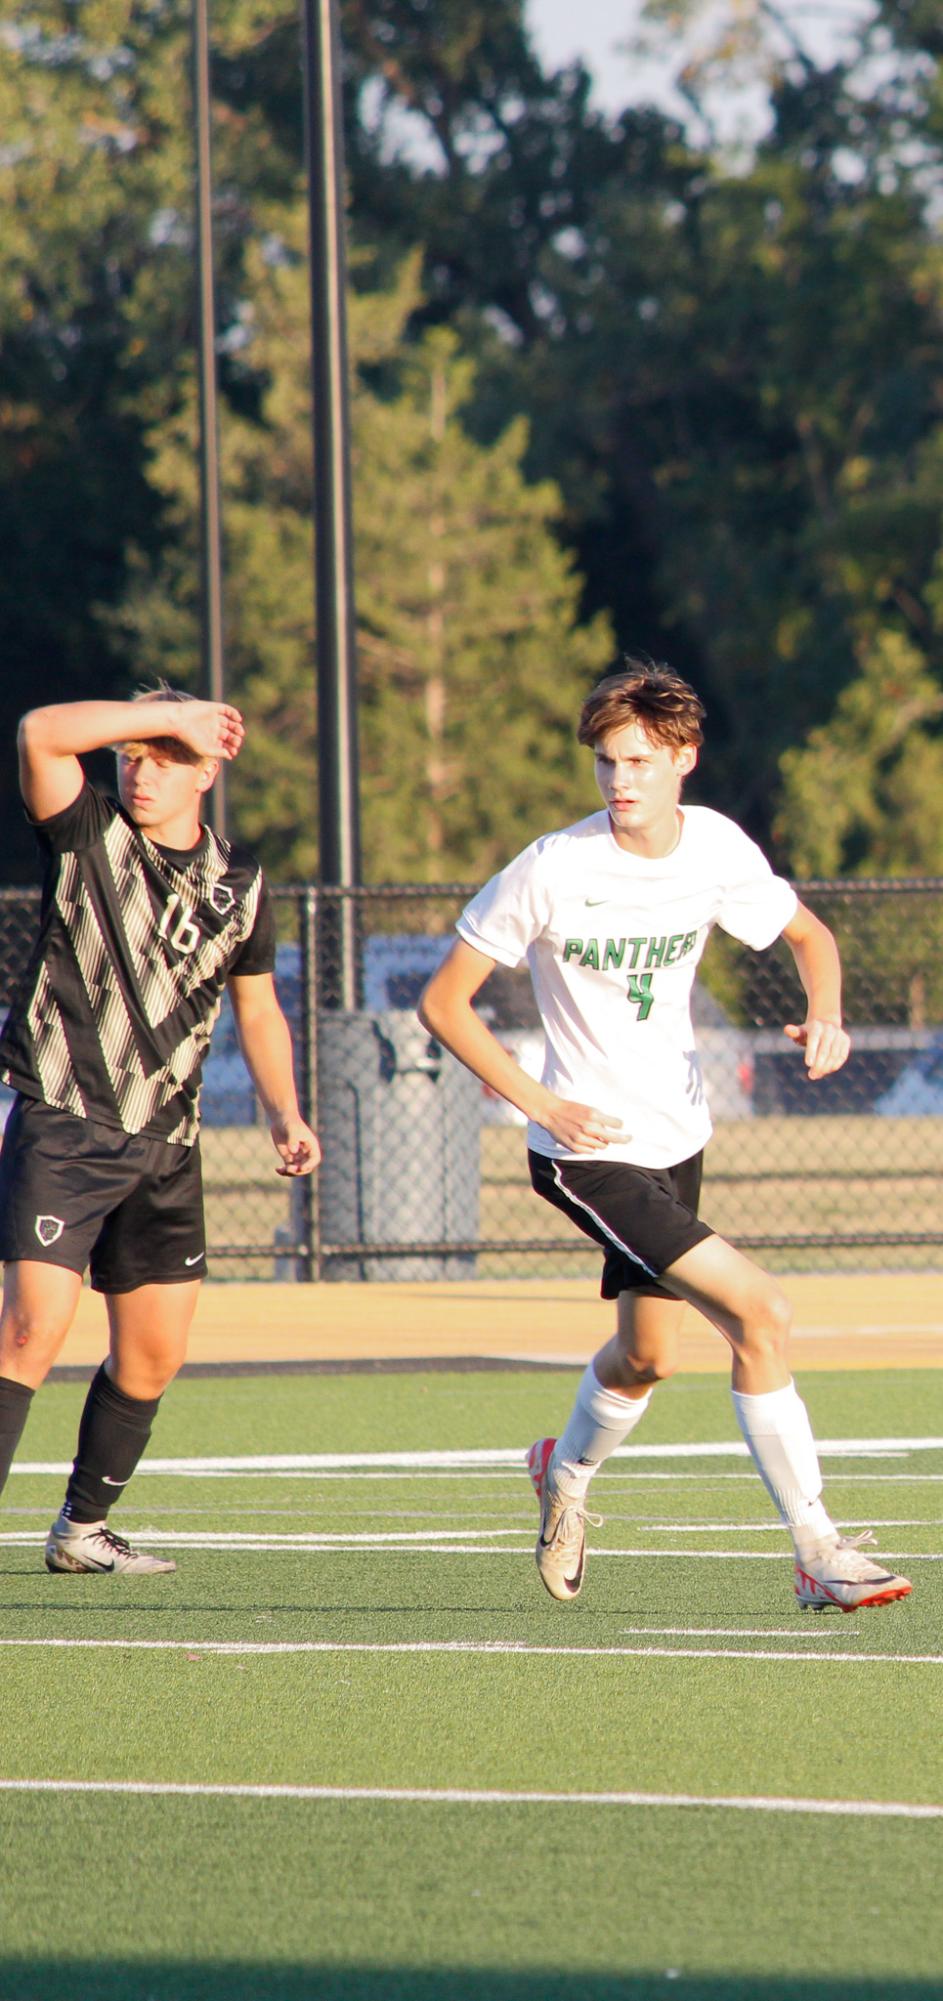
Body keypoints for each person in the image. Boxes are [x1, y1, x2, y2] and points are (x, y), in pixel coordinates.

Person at [420, 662, 912, 1614]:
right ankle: (816, 1551)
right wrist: (540, 1103)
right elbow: (445, 1003)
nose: (619, 781)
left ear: (683, 758)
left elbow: (811, 939)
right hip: (585, 1151)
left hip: (676, 1137)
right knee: (759, 1313)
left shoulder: (716, 849)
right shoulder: (553, 866)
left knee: (647, 1357)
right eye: (606, 762)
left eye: (639, 760)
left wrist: (827, 1016)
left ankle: (561, 1472)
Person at [0, 686, 320, 1575]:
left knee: (151, 1356)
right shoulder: (86, 831)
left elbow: (257, 1007)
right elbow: (39, 731)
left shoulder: (241, 885)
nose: (142, 770)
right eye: (134, 752)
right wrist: (164, 718)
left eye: (168, 756)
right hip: (65, 1121)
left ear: (209, 771)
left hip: (166, 1144)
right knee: (30, 1328)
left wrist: (283, 1109)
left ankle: (80, 1529)